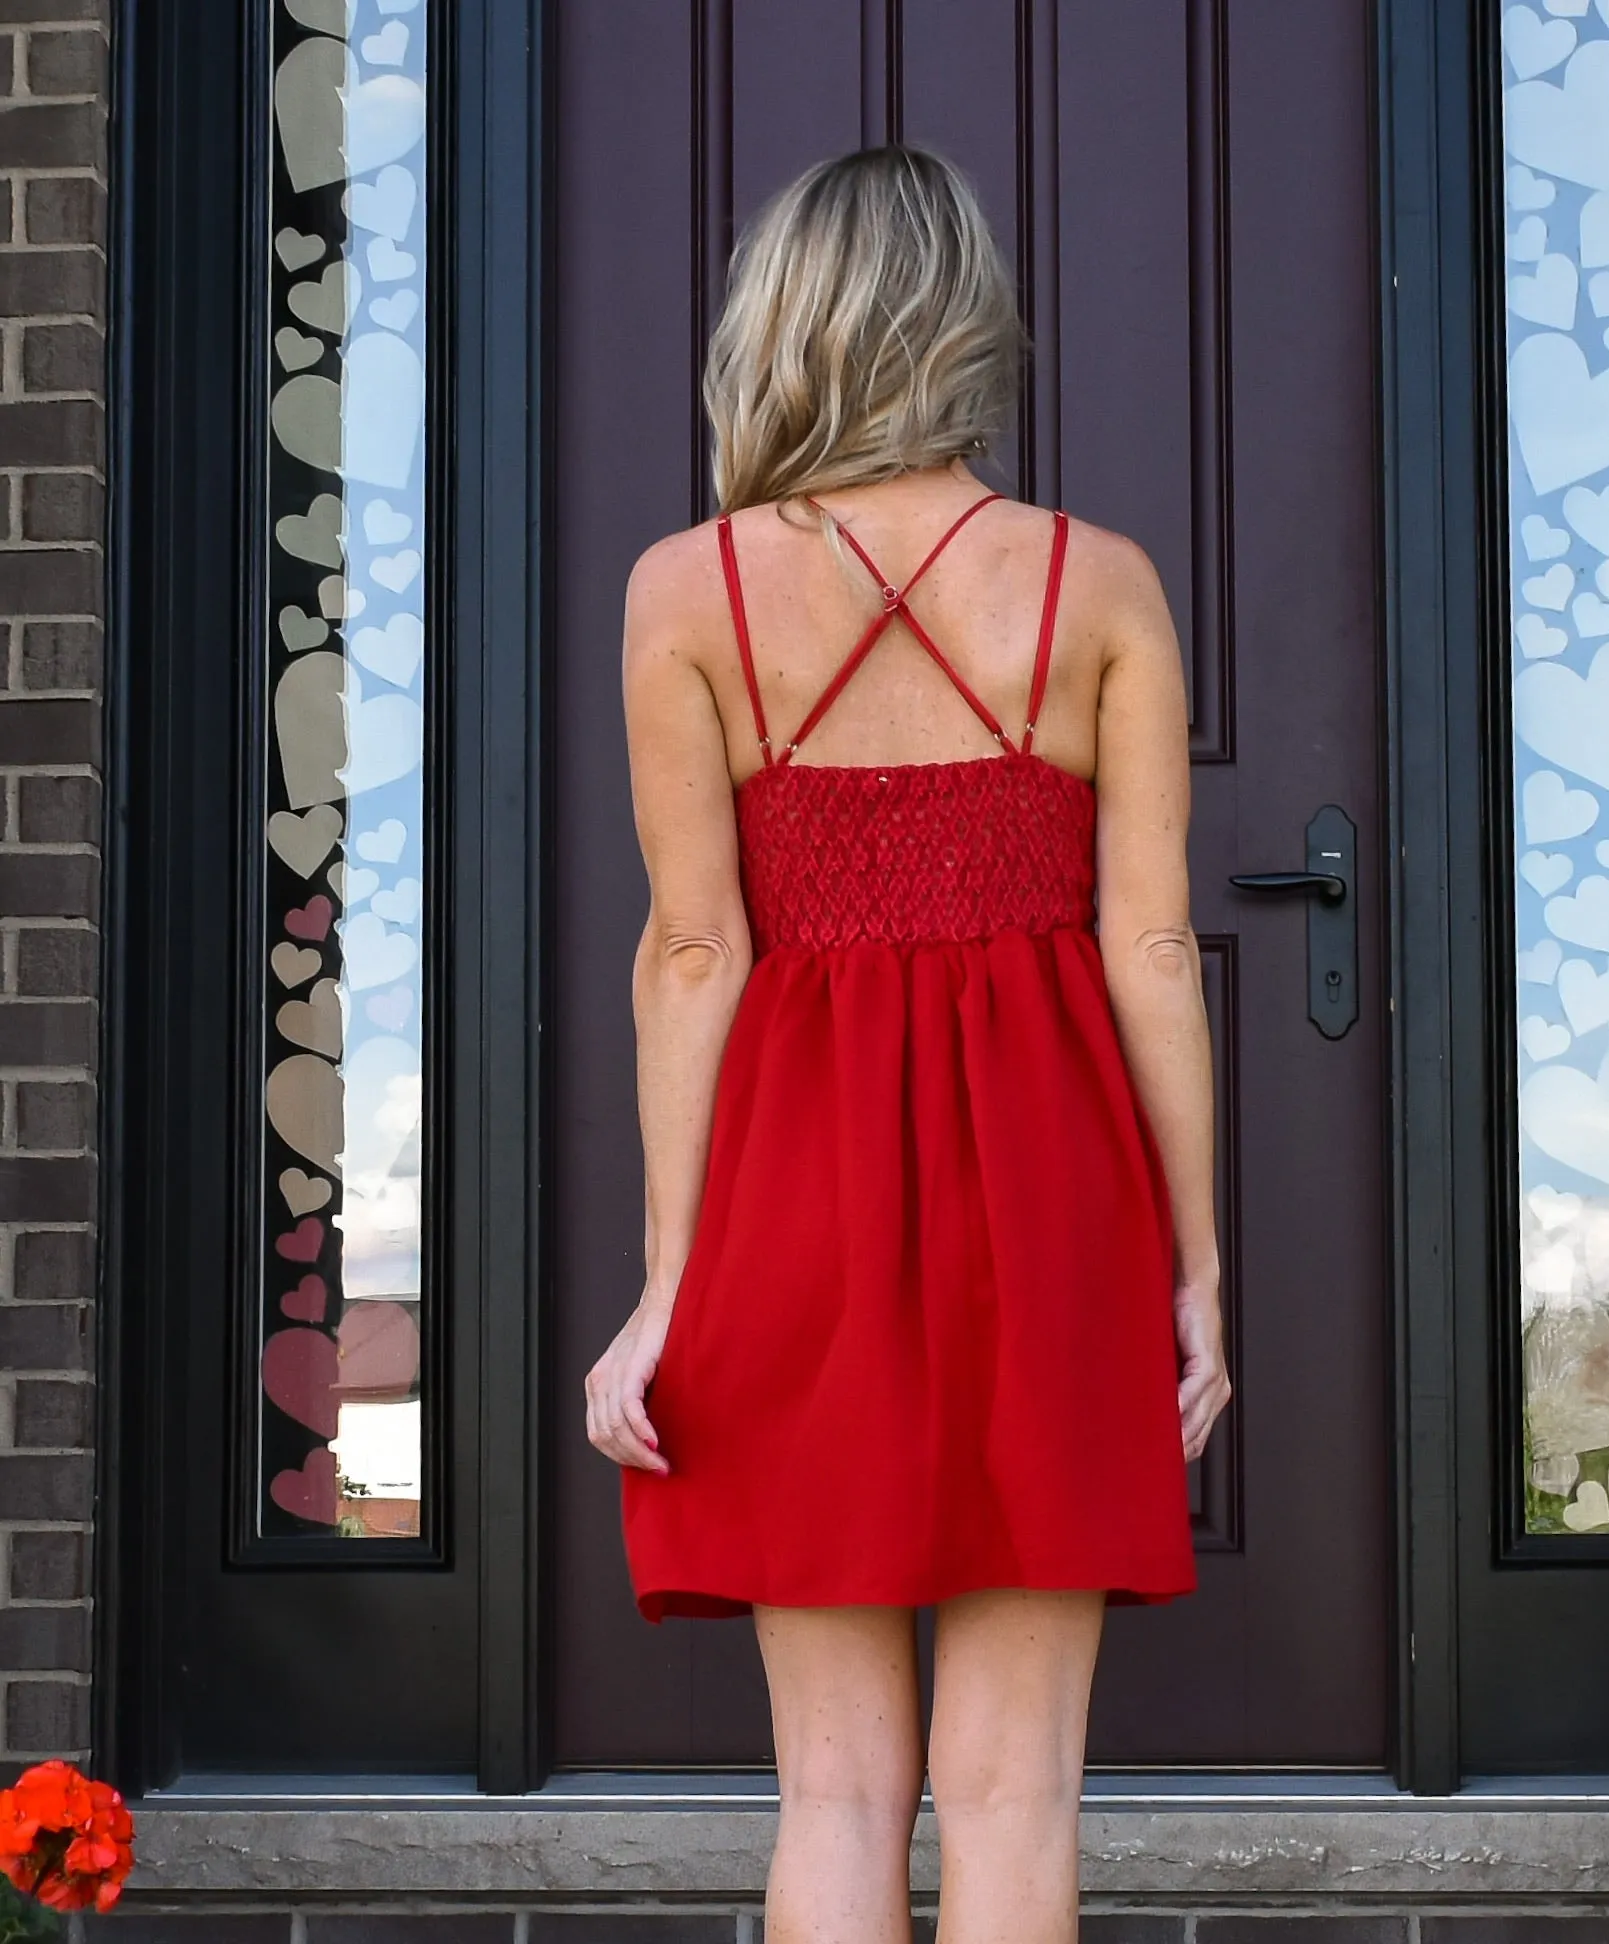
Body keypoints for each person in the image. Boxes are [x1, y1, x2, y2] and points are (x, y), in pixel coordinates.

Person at [585, 144, 1230, 1944]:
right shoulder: (1096, 583)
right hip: (1054, 1197)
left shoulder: (682, 593)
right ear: (969, 331)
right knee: (1017, 1795)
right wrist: (1193, 1269)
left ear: (777, 327)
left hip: (794, 1195)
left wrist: (670, 1283)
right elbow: (1153, 941)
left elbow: (694, 947)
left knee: (835, 1794)